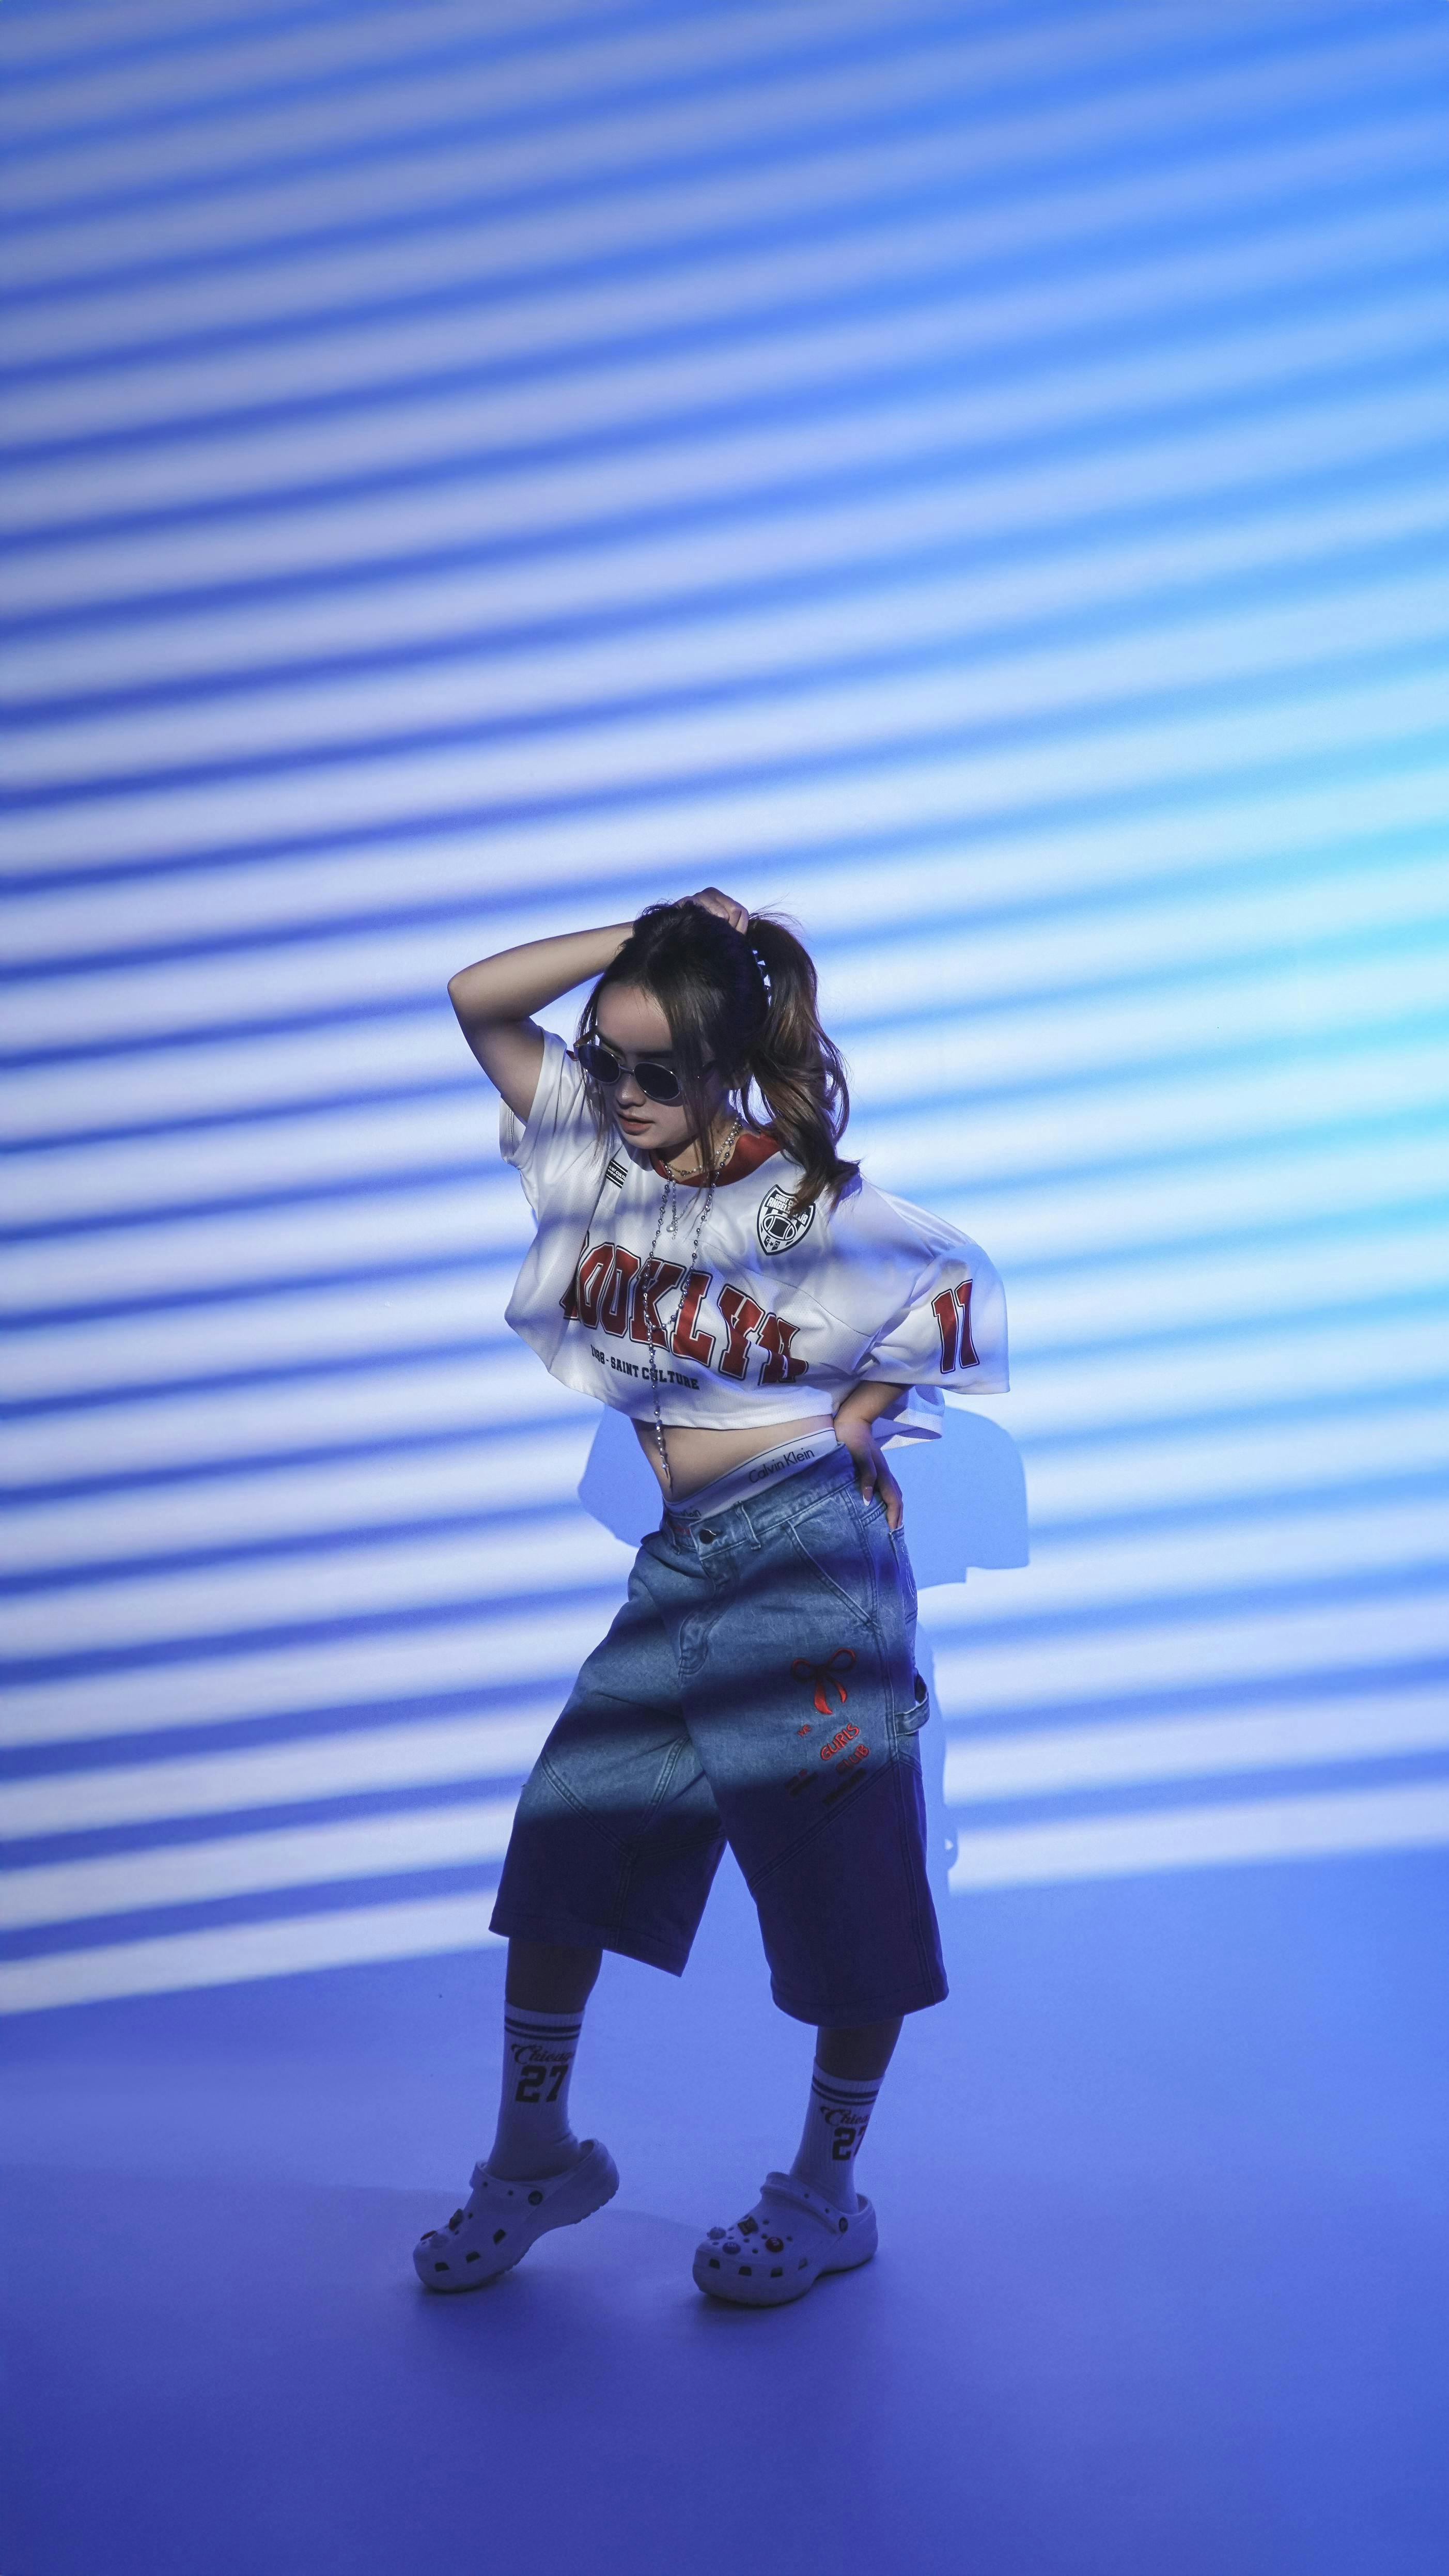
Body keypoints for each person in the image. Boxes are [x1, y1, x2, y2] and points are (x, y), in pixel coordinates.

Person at [413, 890, 1007, 2307]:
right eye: (608, 1060)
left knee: (842, 1893)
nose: (620, 1093)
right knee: (567, 1840)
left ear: (726, 1060)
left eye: (658, 1071)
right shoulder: (594, 1153)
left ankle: (823, 2195)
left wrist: (860, 1415)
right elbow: (477, 996)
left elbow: (955, 1283)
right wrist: (637, 935)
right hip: (681, 1565)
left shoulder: (804, 1198)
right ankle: (534, 2154)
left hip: (806, 1559)